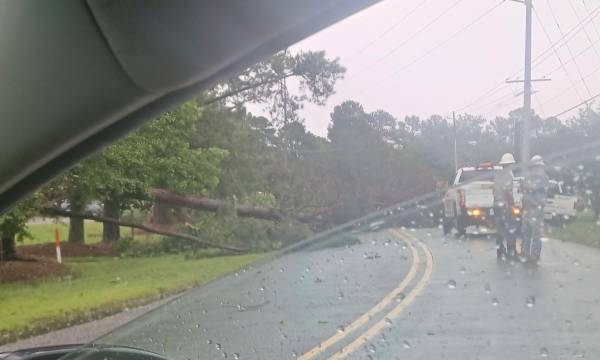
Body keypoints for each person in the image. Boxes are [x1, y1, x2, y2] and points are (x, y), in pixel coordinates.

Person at [521, 155, 550, 263]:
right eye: (533, 167)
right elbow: (524, 189)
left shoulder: (543, 178)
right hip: (527, 208)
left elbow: (532, 188)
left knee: (536, 234)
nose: (534, 169)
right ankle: (525, 252)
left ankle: (535, 255)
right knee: (525, 232)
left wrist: (527, 187)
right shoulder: (528, 177)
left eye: (536, 167)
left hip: (537, 209)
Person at [493, 153, 517, 259]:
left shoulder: (497, 174)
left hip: (497, 204)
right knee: (510, 228)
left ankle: (500, 250)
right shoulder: (509, 175)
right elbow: (508, 192)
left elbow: (494, 191)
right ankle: (511, 251)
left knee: (500, 228)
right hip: (505, 205)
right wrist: (512, 205)